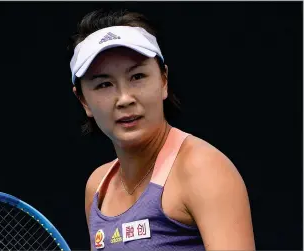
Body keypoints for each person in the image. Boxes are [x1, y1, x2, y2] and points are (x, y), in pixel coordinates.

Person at [68, 9, 255, 251]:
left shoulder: (202, 169)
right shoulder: (97, 188)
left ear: (164, 81)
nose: (124, 98)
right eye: (104, 84)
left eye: (137, 76)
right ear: (84, 101)